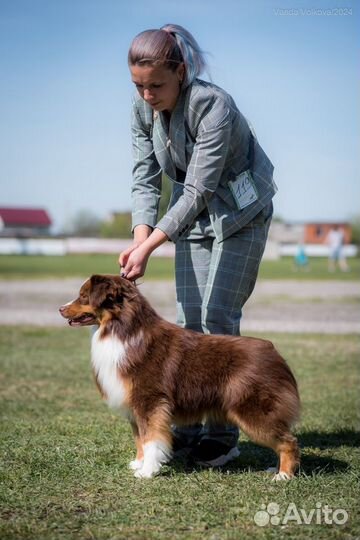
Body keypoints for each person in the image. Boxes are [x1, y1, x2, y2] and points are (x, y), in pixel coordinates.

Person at [119, 24, 277, 467]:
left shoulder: (214, 105)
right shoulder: (141, 108)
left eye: (156, 85)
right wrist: (138, 238)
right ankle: (187, 424)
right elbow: (144, 176)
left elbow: (198, 190)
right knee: (188, 322)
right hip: (191, 218)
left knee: (218, 316)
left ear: (182, 72)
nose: (147, 95)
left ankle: (224, 435)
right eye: (138, 86)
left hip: (240, 214)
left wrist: (150, 246)